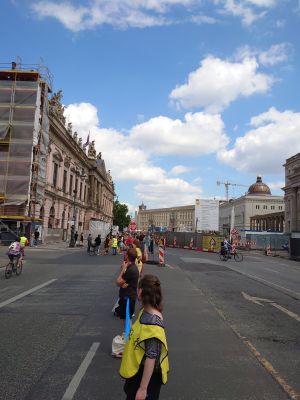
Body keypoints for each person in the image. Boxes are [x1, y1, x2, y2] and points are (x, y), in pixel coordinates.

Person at [120, 274, 169, 400]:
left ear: (140, 291)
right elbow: (140, 335)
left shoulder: (153, 324)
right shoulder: (145, 311)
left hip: (146, 379)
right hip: (138, 373)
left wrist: (142, 389)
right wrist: (129, 326)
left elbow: (151, 357)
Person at [115, 248, 139, 330]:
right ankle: (128, 337)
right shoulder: (132, 267)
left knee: (126, 319)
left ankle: (128, 338)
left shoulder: (131, 270)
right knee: (127, 318)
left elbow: (118, 282)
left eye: (126, 254)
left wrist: (122, 270)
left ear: (128, 256)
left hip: (128, 297)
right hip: (129, 296)